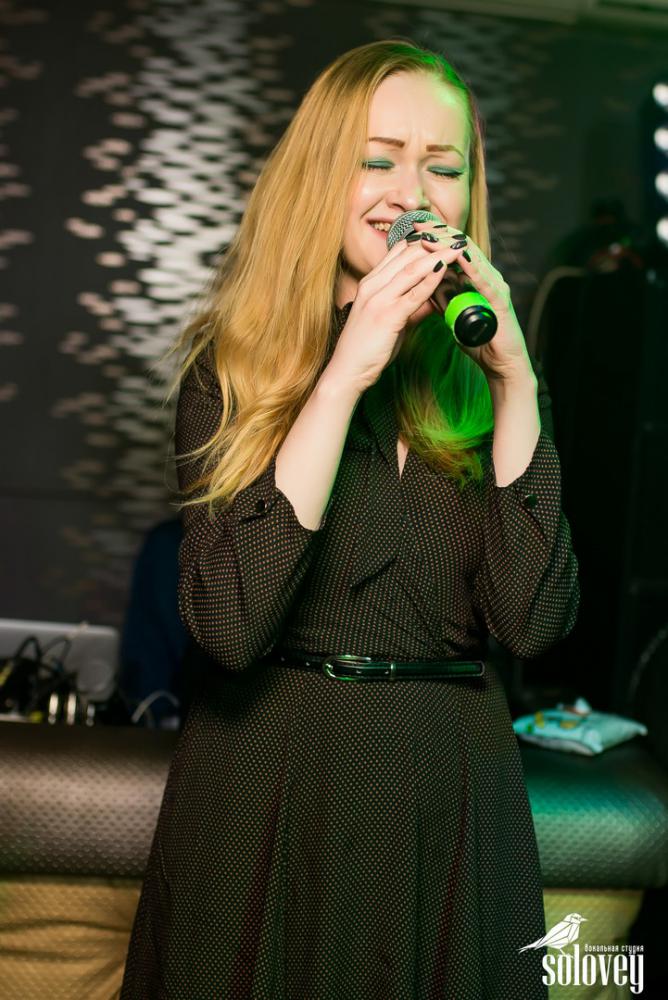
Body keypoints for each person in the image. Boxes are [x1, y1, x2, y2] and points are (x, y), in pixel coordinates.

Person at [120, 38, 579, 1000]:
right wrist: (342, 378)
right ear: (320, 177)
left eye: (442, 167)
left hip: (452, 802)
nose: (411, 192)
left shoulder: (483, 379)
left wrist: (519, 385)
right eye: (378, 159)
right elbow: (229, 622)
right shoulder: (231, 368)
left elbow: (533, 623)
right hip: (271, 794)